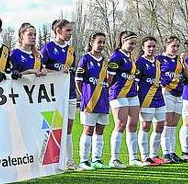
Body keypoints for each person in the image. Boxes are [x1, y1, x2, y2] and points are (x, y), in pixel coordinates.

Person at [41, 19, 77, 169]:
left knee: (68, 127)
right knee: (50, 126)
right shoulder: (48, 48)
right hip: (53, 94)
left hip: (70, 93)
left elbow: (71, 72)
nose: (70, 33)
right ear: (58, 30)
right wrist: (56, 72)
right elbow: (41, 70)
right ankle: (43, 158)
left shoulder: (71, 51)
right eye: (67, 30)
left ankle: (70, 161)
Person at [107, 31, 142, 168]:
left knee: (133, 125)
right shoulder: (116, 56)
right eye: (130, 43)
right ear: (122, 41)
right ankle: (114, 159)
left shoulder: (131, 58)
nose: (133, 46)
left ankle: (133, 157)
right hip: (119, 93)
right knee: (120, 124)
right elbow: (109, 78)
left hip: (132, 94)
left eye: (134, 44)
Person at [75, 32, 110, 170]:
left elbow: (109, 81)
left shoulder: (106, 62)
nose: (101, 45)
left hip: (103, 101)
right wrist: (84, 95)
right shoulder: (85, 59)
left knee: (100, 131)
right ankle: (84, 160)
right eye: (99, 42)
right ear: (92, 43)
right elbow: (78, 81)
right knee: (88, 131)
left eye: (103, 42)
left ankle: (97, 159)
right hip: (89, 101)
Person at [158, 36, 188, 163]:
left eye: (177, 46)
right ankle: (166, 153)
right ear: (166, 45)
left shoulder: (178, 61)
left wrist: (183, 61)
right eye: (173, 46)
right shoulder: (160, 59)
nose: (175, 48)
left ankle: (172, 151)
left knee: (173, 124)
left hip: (178, 93)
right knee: (167, 123)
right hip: (166, 92)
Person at [135, 37, 165, 166]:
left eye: (153, 46)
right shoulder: (140, 62)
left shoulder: (158, 62)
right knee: (145, 127)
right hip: (146, 99)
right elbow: (135, 82)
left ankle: (154, 154)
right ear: (143, 48)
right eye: (149, 46)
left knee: (160, 126)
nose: (151, 49)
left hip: (159, 98)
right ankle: (145, 156)